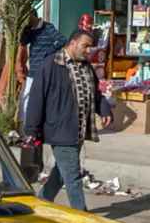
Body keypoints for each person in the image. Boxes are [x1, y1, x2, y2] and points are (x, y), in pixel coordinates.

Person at [22, 28, 112, 212]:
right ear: (73, 43)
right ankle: (82, 215)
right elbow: (36, 99)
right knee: (72, 174)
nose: (88, 50)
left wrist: (104, 109)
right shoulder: (50, 65)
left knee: (62, 171)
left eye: (90, 47)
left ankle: (44, 199)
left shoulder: (86, 66)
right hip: (59, 129)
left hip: (79, 130)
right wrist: (31, 129)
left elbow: (94, 91)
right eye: (85, 46)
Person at [16, 11, 67, 119]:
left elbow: (62, 39)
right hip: (33, 69)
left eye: (28, 17)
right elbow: (23, 42)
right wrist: (26, 29)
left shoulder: (47, 27)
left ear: (33, 16)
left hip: (44, 70)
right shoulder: (30, 29)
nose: (27, 20)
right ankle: (23, 122)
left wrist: (48, 52)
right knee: (26, 97)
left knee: (43, 97)